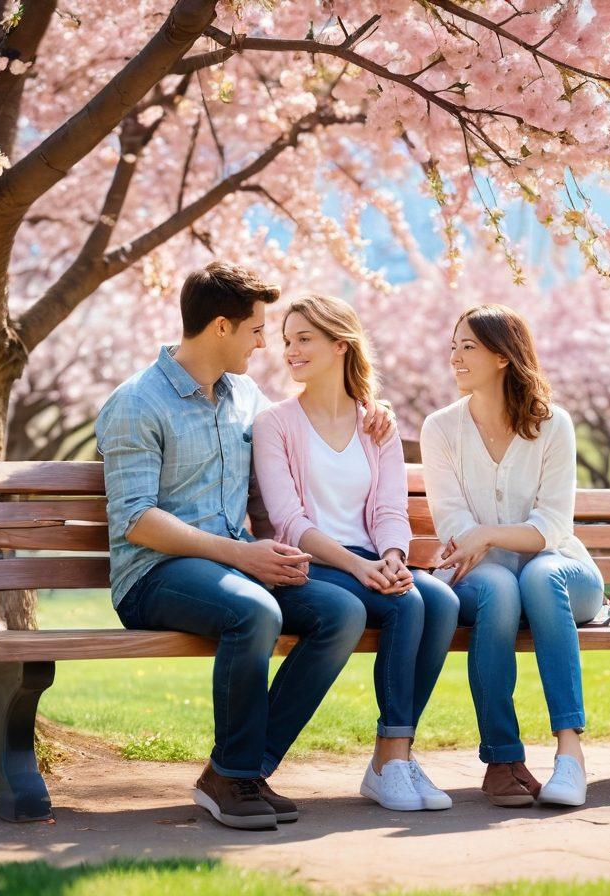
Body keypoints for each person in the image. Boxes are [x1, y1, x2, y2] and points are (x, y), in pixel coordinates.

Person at [95, 261, 396, 831]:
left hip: (237, 564)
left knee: (342, 611)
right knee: (254, 611)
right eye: (257, 330)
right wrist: (239, 553)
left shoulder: (245, 395)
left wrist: (368, 413)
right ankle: (232, 775)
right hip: (154, 575)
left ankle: (243, 771)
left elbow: (302, 425)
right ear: (220, 328)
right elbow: (135, 519)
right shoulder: (138, 402)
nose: (265, 344)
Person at [253, 295, 460, 812]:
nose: (291, 351)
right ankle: (391, 759)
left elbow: (390, 507)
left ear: (339, 344)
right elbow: (290, 521)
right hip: (313, 564)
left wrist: (391, 554)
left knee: (442, 601)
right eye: (287, 340)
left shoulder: (376, 424)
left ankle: (395, 758)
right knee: (408, 603)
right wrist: (358, 566)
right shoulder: (275, 424)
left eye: (304, 339)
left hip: (369, 558)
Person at [420, 303, 604, 809]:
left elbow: (552, 529)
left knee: (541, 579)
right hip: (484, 579)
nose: (454, 357)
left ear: (503, 356)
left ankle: (570, 754)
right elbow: (455, 528)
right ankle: (502, 759)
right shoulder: (440, 429)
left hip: (565, 578)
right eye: (453, 345)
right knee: (502, 586)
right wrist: (479, 539)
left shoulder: (553, 425)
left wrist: (486, 535)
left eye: (468, 347)